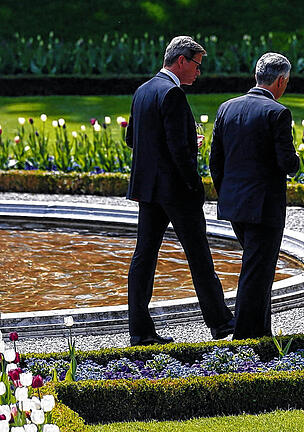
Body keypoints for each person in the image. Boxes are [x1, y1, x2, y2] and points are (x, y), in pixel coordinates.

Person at [125, 35, 235, 346]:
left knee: (143, 258)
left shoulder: (142, 90)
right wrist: (195, 185)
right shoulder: (173, 93)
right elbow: (177, 150)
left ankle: (140, 332)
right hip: (175, 190)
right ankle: (222, 323)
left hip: (148, 190)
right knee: (199, 257)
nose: (199, 72)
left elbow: (132, 139)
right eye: (197, 65)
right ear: (182, 61)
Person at [210, 52, 300, 339]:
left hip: (235, 204)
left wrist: (227, 192)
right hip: (265, 207)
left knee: (257, 267)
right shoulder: (278, 113)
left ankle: (261, 331)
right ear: (281, 80)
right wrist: (297, 160)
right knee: (257, 271)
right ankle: (246, 337)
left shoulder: (227, 108)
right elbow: (288, 163)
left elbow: (215, 161)